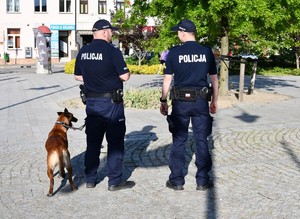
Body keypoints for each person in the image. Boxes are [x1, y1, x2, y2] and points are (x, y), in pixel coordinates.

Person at [74, 19, 135, 191]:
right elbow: (125, 76)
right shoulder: (112, 51)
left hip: (92, 103)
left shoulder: (84, 51)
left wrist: (94, 78)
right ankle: (114, 181)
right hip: (111, 104)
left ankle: (90, 179)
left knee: (93, 142)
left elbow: (78, 76)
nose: (112, 34)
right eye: (111, 32)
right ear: (105, 32)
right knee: (115, 142)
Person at [159, 19, 219, 191]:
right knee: (201, 140)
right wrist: (214, 100)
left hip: (180, 103)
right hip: (200, 102)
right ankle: (202, 181)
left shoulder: (174, 53)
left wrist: (163, 101)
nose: (177, 35)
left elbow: (167, 79)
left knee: (178, 140)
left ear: (183, 32)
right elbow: (214, 79)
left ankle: (177, 180)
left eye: (178, 32)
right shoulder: (206, 52)